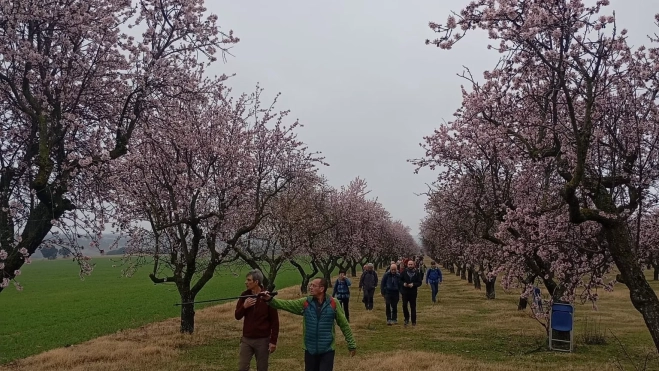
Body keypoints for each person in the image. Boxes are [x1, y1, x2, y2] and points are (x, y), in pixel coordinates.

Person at [262, 278, 356, 371]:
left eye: (313, 286)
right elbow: (287, 304)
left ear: (322, 289)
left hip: (327, 350)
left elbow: (344, 325)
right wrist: (270, 300)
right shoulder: (305, 302)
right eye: (310, 285)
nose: (310, 287)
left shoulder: (333, 303)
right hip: (310, 350)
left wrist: (351, 344)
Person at [235, 269, 280, 371]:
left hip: (262, 340)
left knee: (262, 368)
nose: (245, 282)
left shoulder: (267, 297)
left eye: (248, 280)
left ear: (256, 282)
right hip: (246, 339)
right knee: (242, 367)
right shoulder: (244, 295)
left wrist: (273, 341)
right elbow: (237, 316)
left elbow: (275, 321)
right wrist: (244, 306)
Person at [400, 260, 423, 326]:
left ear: (414, 265)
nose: (410, 266)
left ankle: (413, 321)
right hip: (405, 292)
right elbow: (399, 280)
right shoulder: (404, 272)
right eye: (409, 264)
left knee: (413, 306)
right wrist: (403, 284)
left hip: (413, 292)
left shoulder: (417, 273)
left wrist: (413, 284)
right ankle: (406, 318)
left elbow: (419, 282)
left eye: (411, 264)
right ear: (407, 265)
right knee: (404, 305)